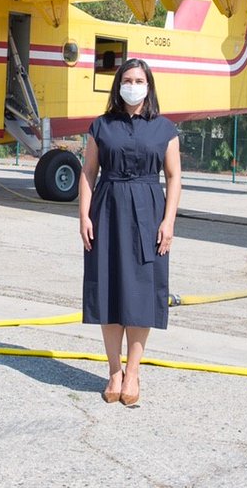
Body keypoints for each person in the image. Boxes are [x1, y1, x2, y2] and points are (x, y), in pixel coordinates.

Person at [78, 58, 180, 407]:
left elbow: (174, 177)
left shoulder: (165, 129)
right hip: (107, 210)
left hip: (149, 213)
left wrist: (168, 221)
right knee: (108, 290)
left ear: (148, 86)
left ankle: (133, 372)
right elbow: (88, 172)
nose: (132, 86)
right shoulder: (101, 126)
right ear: (118, 84)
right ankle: (113, 371)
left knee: (141, 293)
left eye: (139, 80)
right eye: (127, 80)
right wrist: (83, 216)